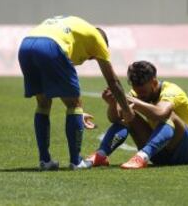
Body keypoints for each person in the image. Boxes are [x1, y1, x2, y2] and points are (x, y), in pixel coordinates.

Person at [18, 16, 134, 171]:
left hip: (26, 45)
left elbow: (58, 83)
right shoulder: (98, 40)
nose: (91, 58)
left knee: (43, 103)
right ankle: (76, 161)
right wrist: (126, 110)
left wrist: (78, 115)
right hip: (51, 46)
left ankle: (45, 161)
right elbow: (113, 82)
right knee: (75, 104)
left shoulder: (79, 31)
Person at [85, 61, 188, 169]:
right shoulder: (135, 94)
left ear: (154, 82)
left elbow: (160, 113)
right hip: (159, 155)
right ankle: (101, 155)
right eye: (137, 91)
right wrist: (112, 104)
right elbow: (115, 118)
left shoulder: (171, 91)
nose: (139, 95)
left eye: (143, 92)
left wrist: (129, 100)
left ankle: (141, 157)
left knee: (168, 115)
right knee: (128, 113)